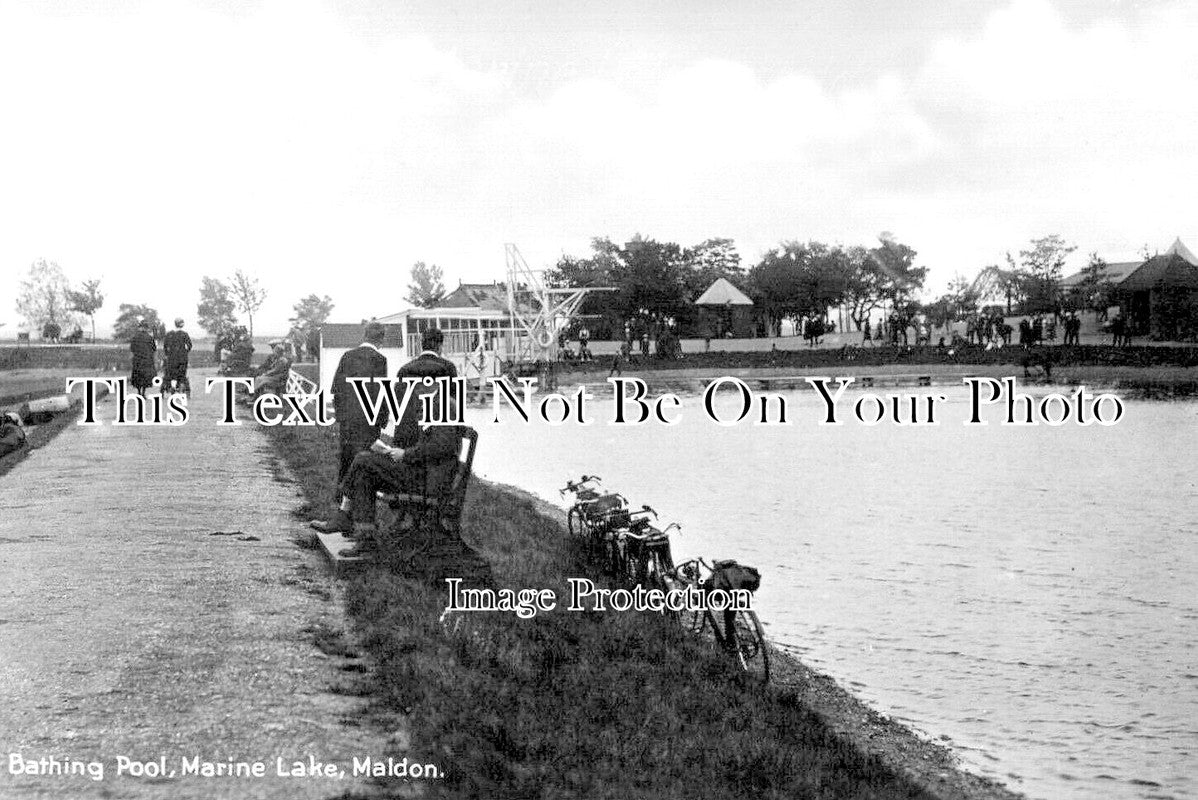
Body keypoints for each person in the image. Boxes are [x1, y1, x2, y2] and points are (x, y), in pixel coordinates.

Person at [314, 394, 467, 558]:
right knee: (365, 473)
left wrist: (406, 454)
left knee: (363, 459)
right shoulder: (436, 402)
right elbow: (431, 444)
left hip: (428, 482)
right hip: (420, 474)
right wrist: (393, 452)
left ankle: (344, 516)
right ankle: (366, 538)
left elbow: (443, 447)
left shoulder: (443, 405)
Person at [330, 321, 390, 507]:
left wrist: (341, 417)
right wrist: (381, 421)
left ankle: (340, 505)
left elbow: (336, 391)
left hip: (348, 421)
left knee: (347, 460)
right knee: (363, 464)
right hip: (367, 422)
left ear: (364, 336)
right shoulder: (380, 360)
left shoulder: (347, 356)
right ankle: (359, 508)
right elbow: (381, 393)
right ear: (381, 339)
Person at [393, 327, 457, 448]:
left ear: (421, 345)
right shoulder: (448, 368)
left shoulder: (404, 370)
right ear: (439, 346)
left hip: (406, 440)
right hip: (436, 441)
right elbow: (454, 407)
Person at [162, 318, 193, 396]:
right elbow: (189, 345)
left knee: (173, 374)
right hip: (182, 358)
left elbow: (165, 346)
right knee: (182, 373)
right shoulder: (184, 334)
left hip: (172, 358)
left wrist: (167, 354)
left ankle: (172, 387)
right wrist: (185, 352)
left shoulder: (169, 334)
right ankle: (181, 388)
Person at [129, 320, 157, 397]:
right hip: (147, 360)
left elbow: (132, 349)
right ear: (146, 328)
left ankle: (138, 392)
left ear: (140, 327)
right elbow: (154, 349)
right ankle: (143, 393)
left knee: (137, 376)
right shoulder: (150, 338)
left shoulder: (135, 337)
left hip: (137, 360)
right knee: (145, 377)